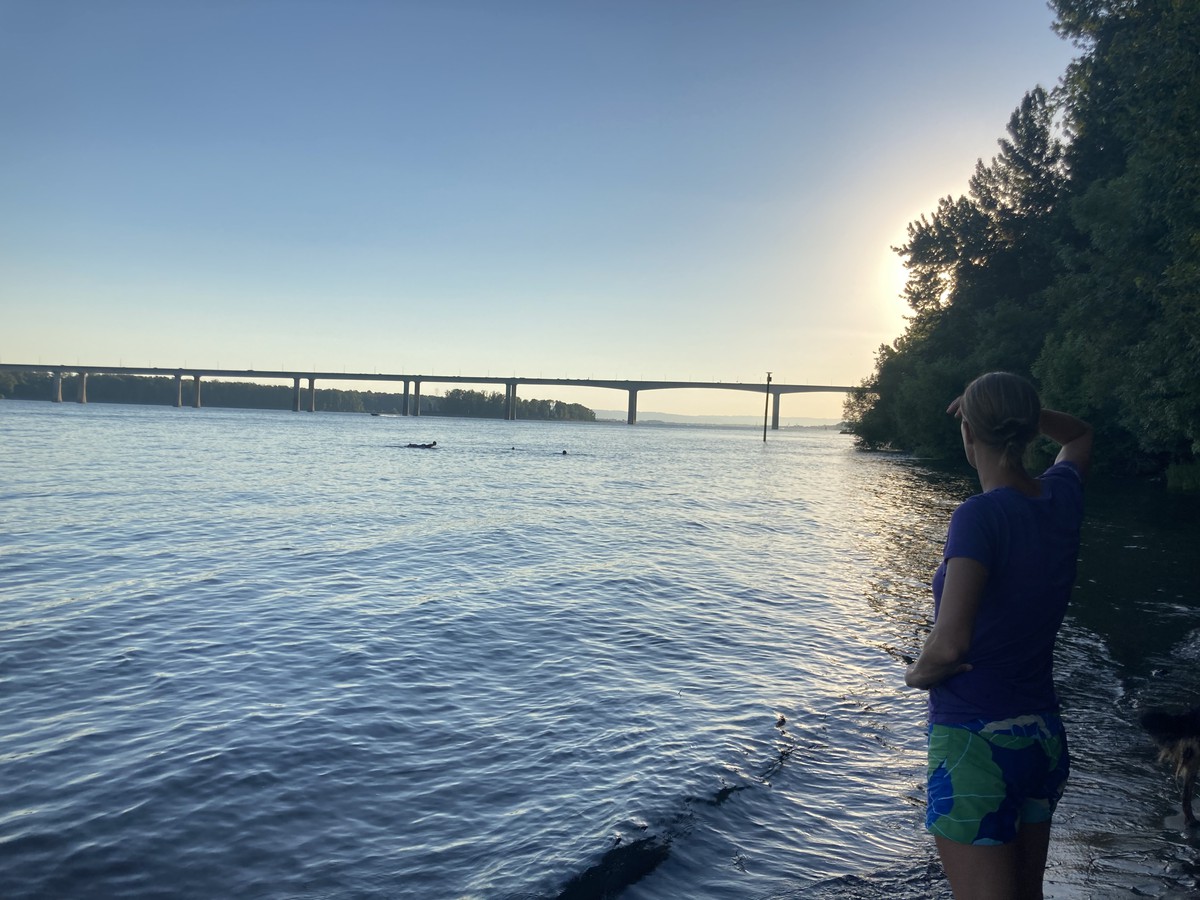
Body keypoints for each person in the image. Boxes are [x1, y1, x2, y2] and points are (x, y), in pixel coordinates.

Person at [904, 372, 1093, 900]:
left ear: (968, 433)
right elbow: (1078, 435)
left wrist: (914, 675)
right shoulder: (1059, 497)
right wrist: (1021, 409)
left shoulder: (979, 515)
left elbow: (949, 646)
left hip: (976, 739)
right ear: (1030, 431)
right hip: (1041, 736)